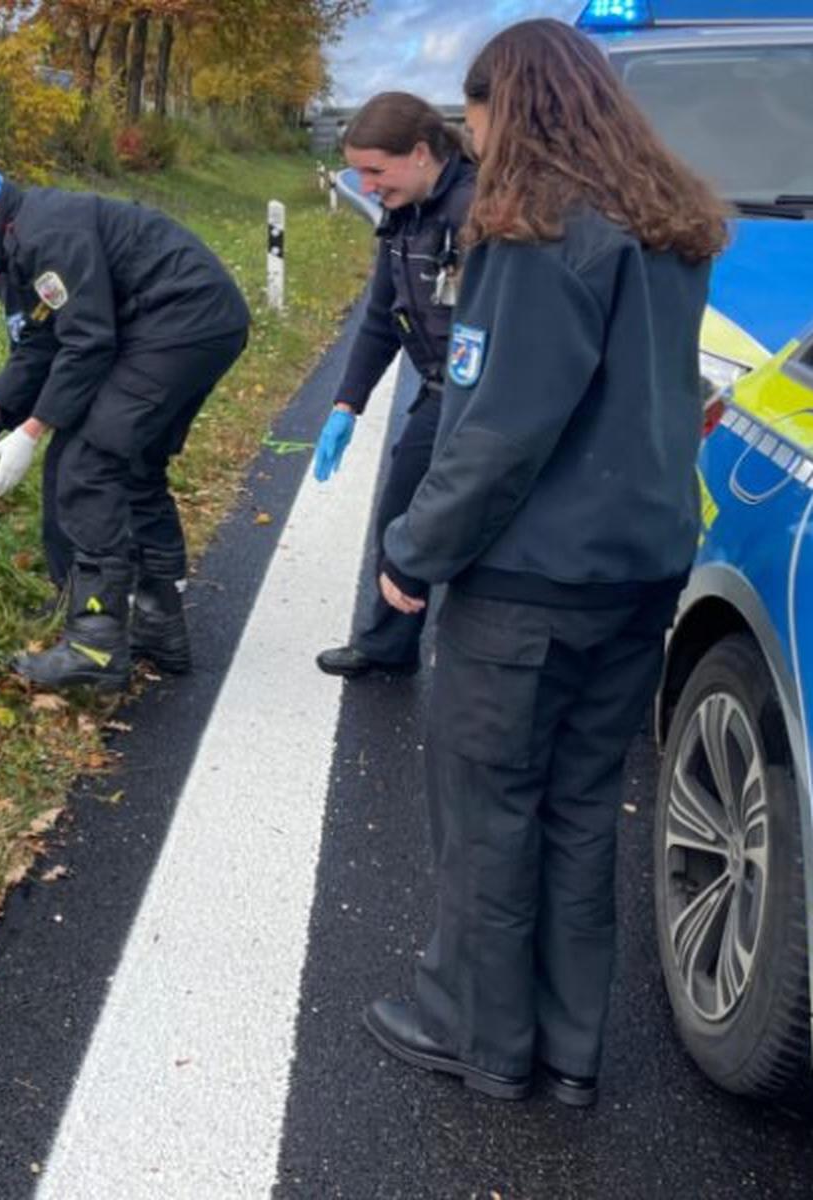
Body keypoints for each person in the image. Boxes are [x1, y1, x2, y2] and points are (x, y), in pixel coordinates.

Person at [363, 19, 727, 1108]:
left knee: (488, 811)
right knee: (577, 812)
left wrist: (412, 554)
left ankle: (475, 1033)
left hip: (530, 584)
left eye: (477, 122)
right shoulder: (672, 228)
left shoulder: (533, 236)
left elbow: (499, 431)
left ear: (507, 111)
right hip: (642, 568)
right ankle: (569, 1052)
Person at [0, 165, 250, 689]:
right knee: (133, 463)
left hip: (180, 321)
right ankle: (158, 624)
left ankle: (95, 644)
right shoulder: (18, 241)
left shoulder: (45, 235)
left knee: (86, 461)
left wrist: (31, 431)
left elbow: (88, 342)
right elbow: (44, 341)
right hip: (193, 321)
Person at [312, 92, 476, 679]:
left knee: (434, 524)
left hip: (479, 397)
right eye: (359, 172)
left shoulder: (474, 213)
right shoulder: (405, 214)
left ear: (422, 153)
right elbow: (382, 316)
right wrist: (346, 404)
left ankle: (460, 656)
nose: (367, 184)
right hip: (438, 387)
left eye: (376, 171)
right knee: (398, 518)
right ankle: (388, 645)